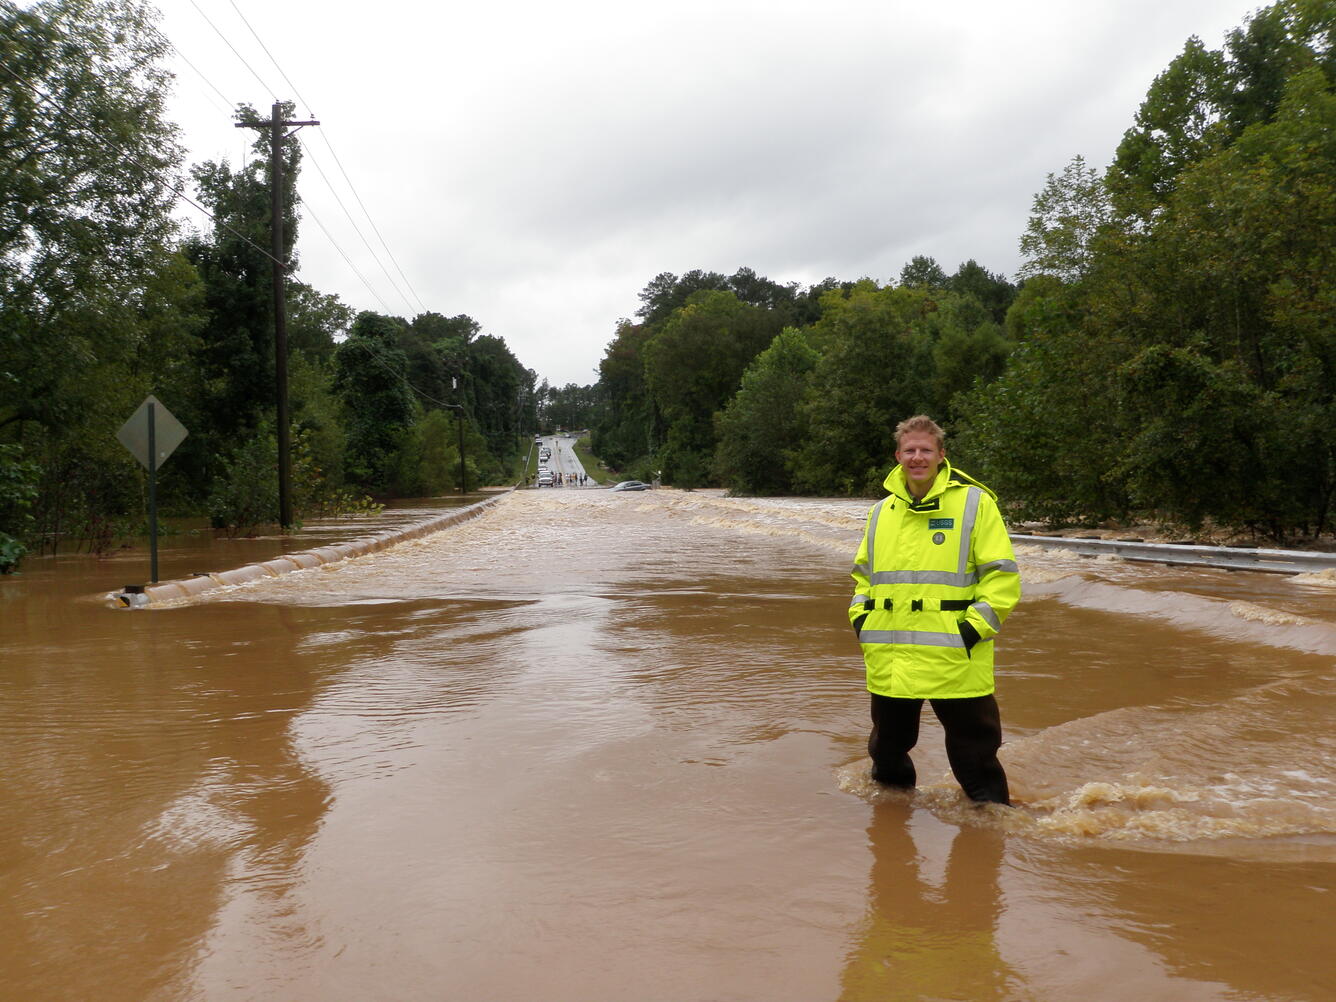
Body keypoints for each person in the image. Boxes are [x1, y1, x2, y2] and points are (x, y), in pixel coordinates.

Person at [849, 415, 1021, 805]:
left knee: (975, 758)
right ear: (898, 455)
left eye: (925, 450)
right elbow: (863, 576)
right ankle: (893, 820)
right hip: (890, 655)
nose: (917, 457)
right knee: (887, 751)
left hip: (954, 656)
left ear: (941, 455)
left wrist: (970, 631)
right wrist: (861, 620)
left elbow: (1002, 578)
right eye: (909, 450)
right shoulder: (881, 513)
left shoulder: (975, 504)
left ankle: (996, 828)